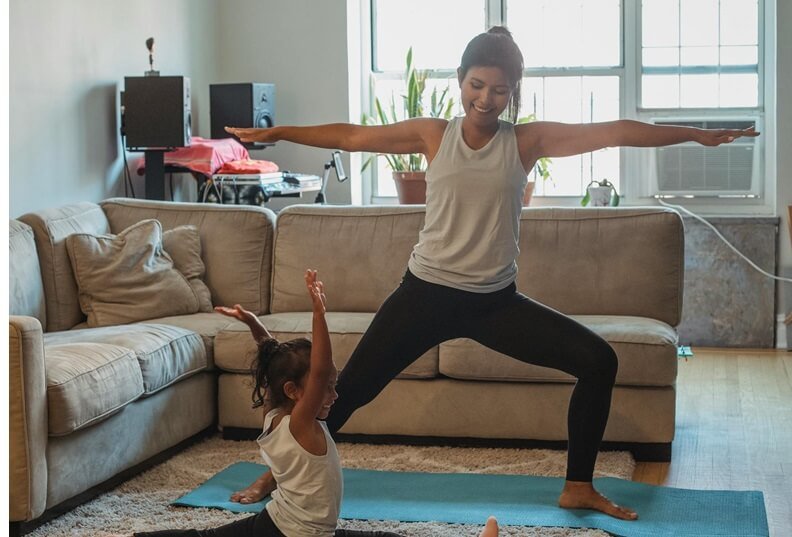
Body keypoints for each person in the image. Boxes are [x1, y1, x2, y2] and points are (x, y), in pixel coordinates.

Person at [225, 27, 759, 522]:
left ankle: (578, 484)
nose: (485, 99)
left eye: (500, 91)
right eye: (476, 85)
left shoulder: (527, 142)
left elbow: (614, 131)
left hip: (494, 302)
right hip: (425, 294)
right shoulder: (433, 134)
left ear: (514, 93)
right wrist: (278, 131)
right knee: (348, 390)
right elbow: (351, 136)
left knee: (599, 360)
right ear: (460, 81)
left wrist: (692, 133)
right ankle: (277, 473)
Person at [134, 270, 500, 537]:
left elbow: (270, 354)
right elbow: (320, 364)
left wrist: (253, 322)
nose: (334, 395)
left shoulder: (275, 414)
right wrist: (319, 314)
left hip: (279, 523)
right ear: (295, 392)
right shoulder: (301, 424)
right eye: (325, 388)